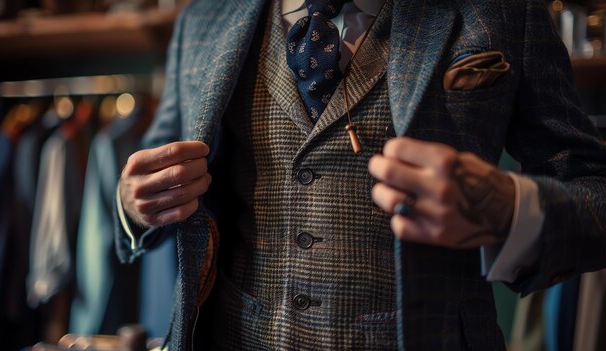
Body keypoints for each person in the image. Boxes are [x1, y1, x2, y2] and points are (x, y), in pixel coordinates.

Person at [114, 0, 606, 350]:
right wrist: (132, 206)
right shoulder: (202, 21)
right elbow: (153, 169)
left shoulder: (501, 10)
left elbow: (594, 187)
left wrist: (511, 209)